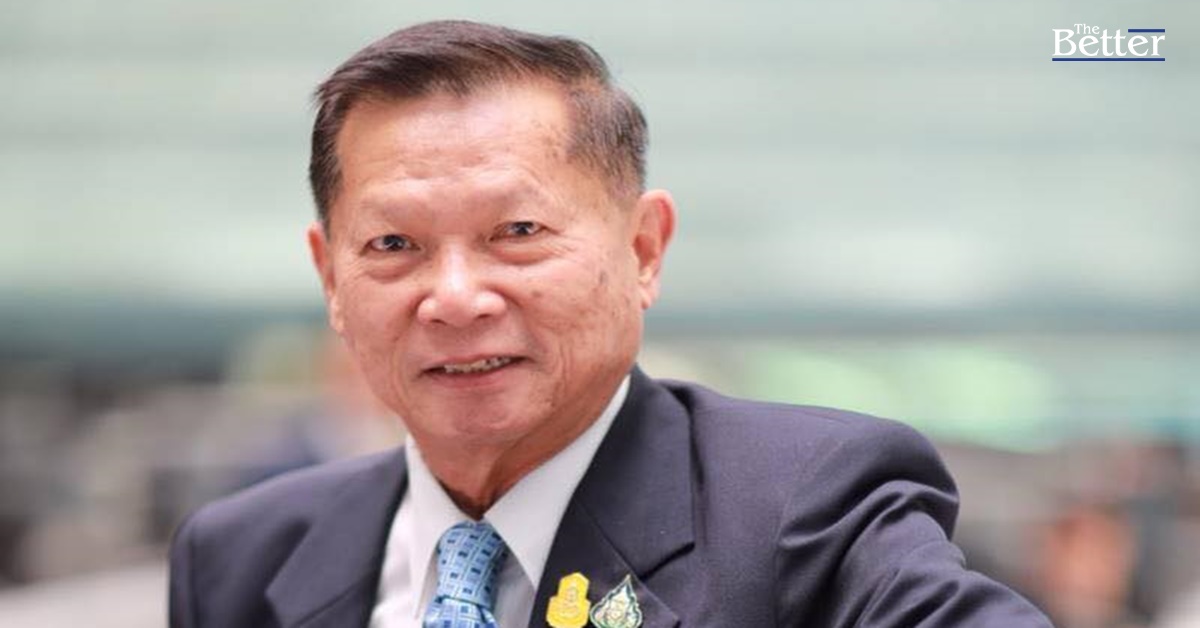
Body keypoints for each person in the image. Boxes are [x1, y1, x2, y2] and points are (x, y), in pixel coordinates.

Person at [168, 20, 1053, 628]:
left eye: (518, 233)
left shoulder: (804, 510)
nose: (456, 297)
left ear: (643, 249)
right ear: (331, 278)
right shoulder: (242, 558)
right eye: (394, 244)